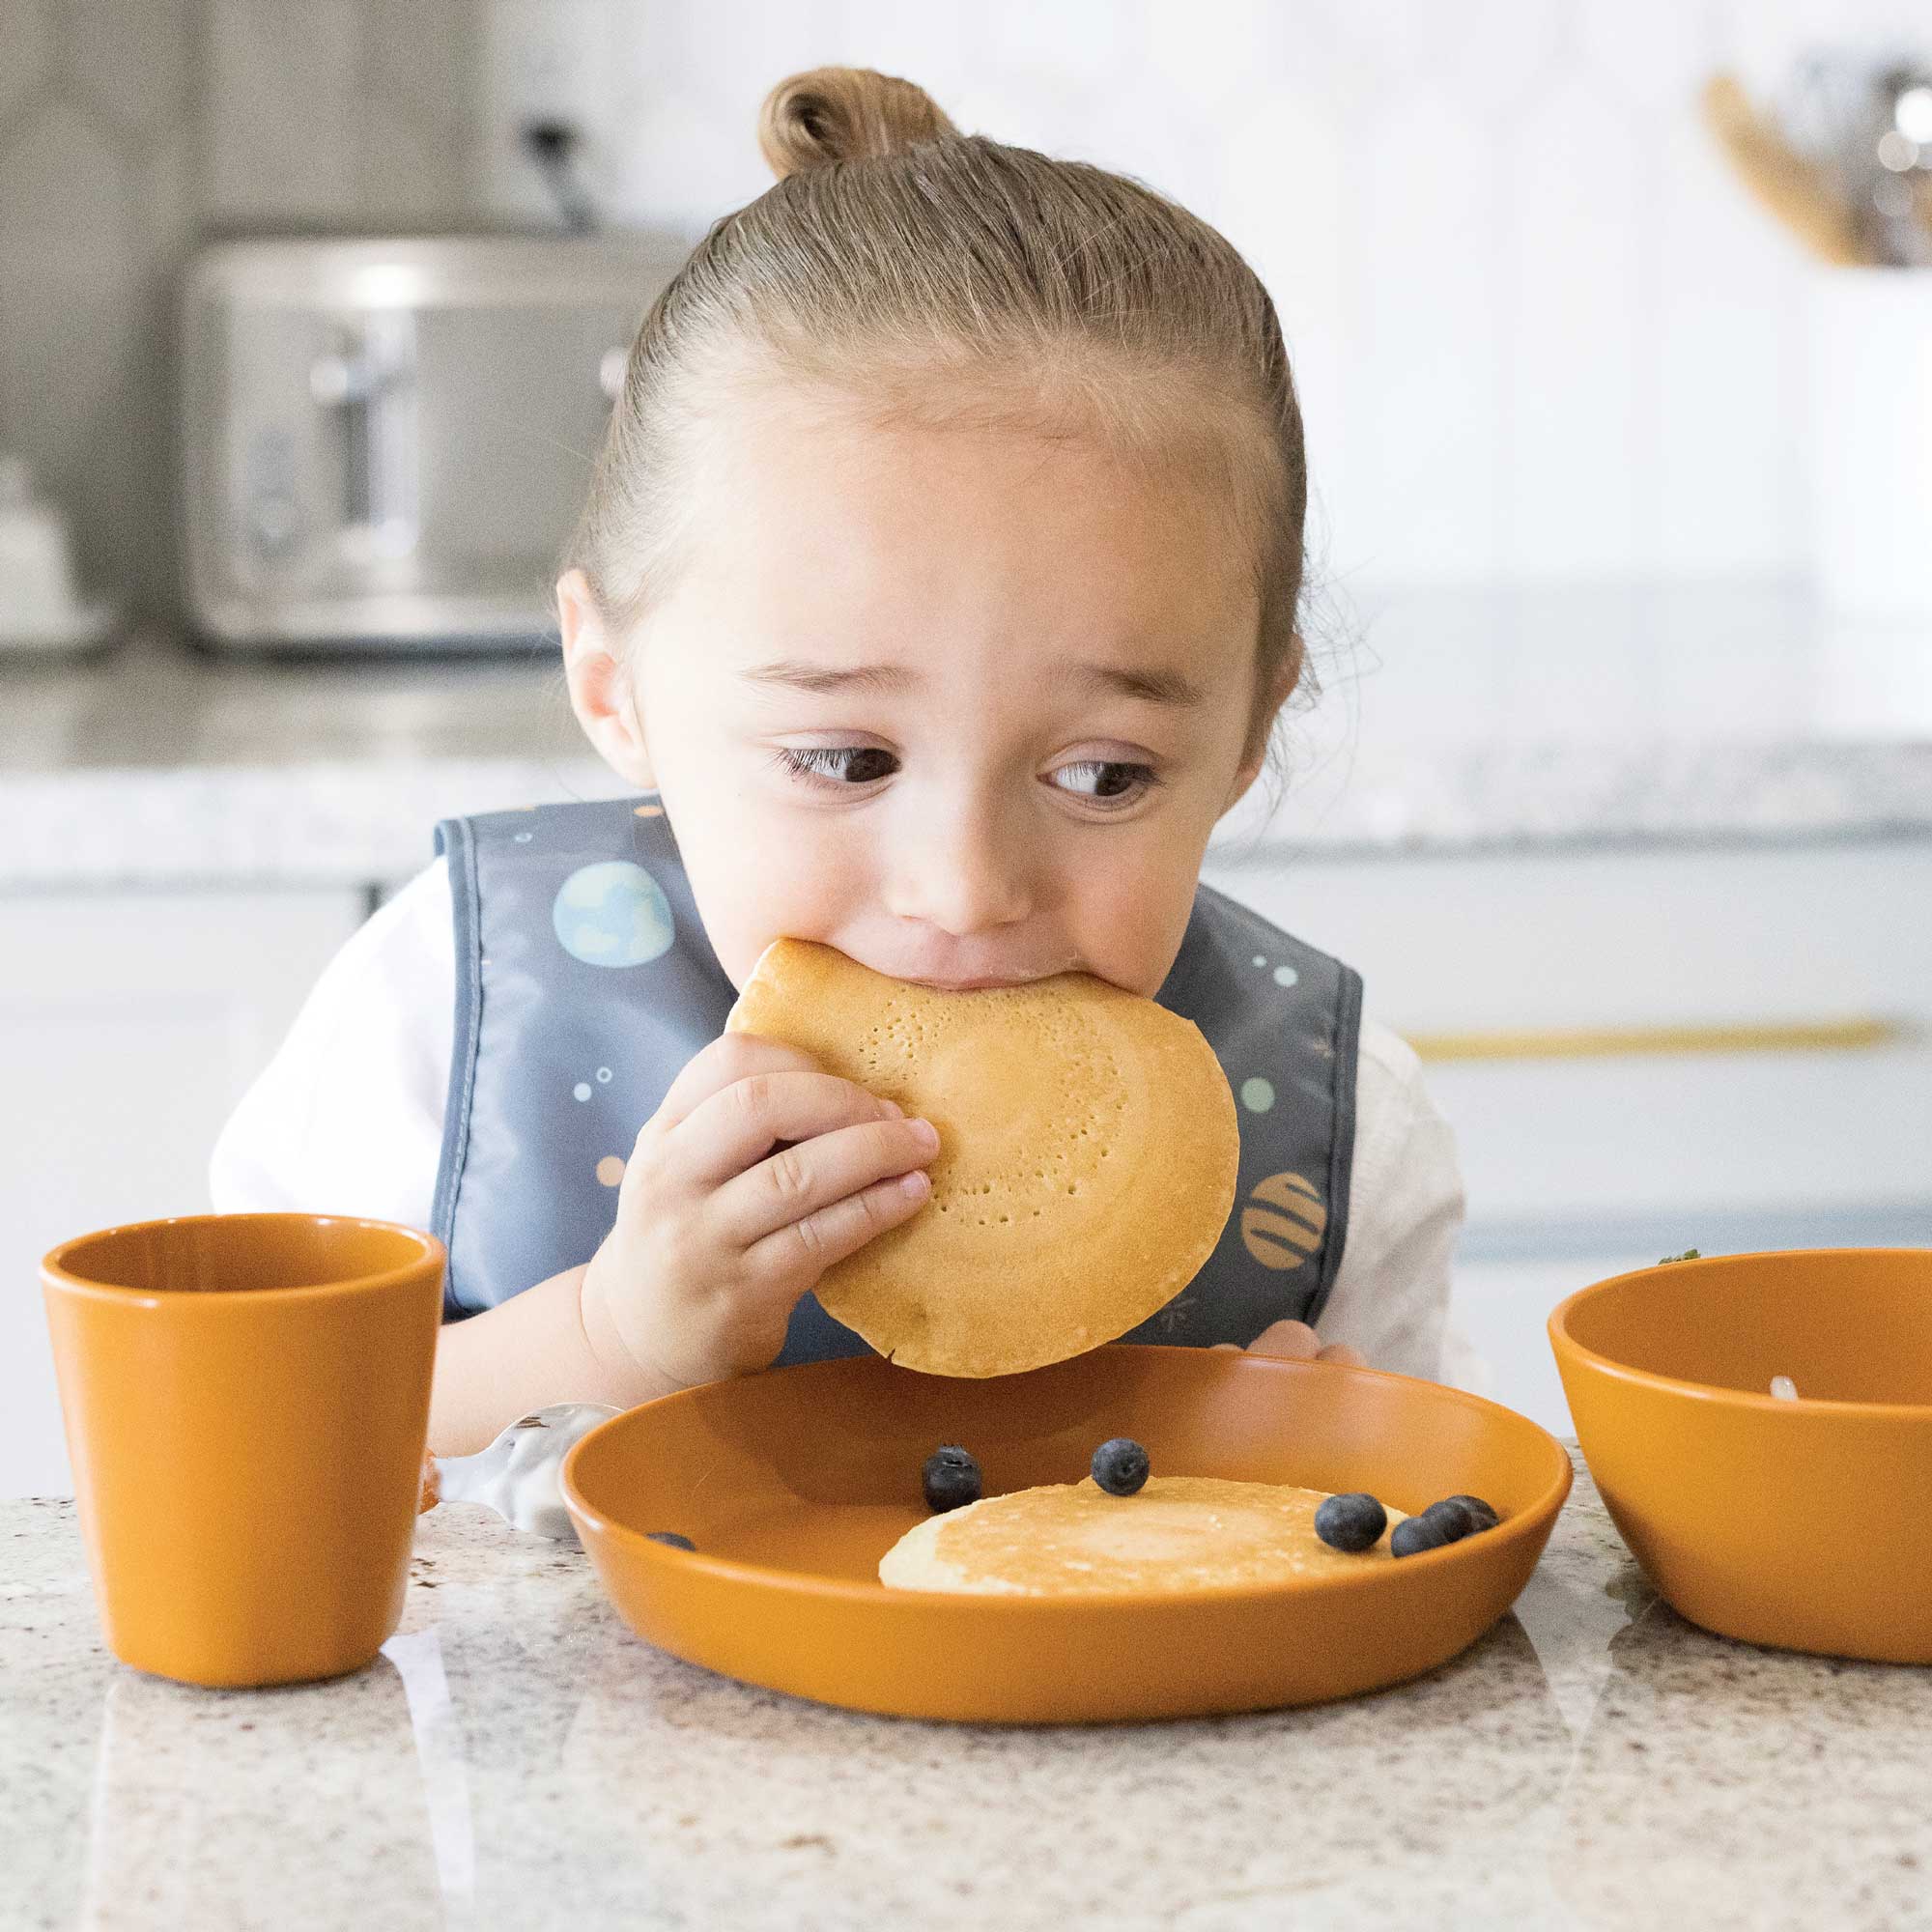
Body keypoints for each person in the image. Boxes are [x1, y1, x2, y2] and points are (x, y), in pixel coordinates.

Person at [212, 69, 1469, 1454]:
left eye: (1104, 776)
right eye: (845, 758)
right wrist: (615, 1335)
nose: (965, 890)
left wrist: (1325, 1457)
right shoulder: (446, 1019)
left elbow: (1426, 1522)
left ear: (1246, 732)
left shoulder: (1335, 1131)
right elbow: (254, 1444)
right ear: (612, 685)